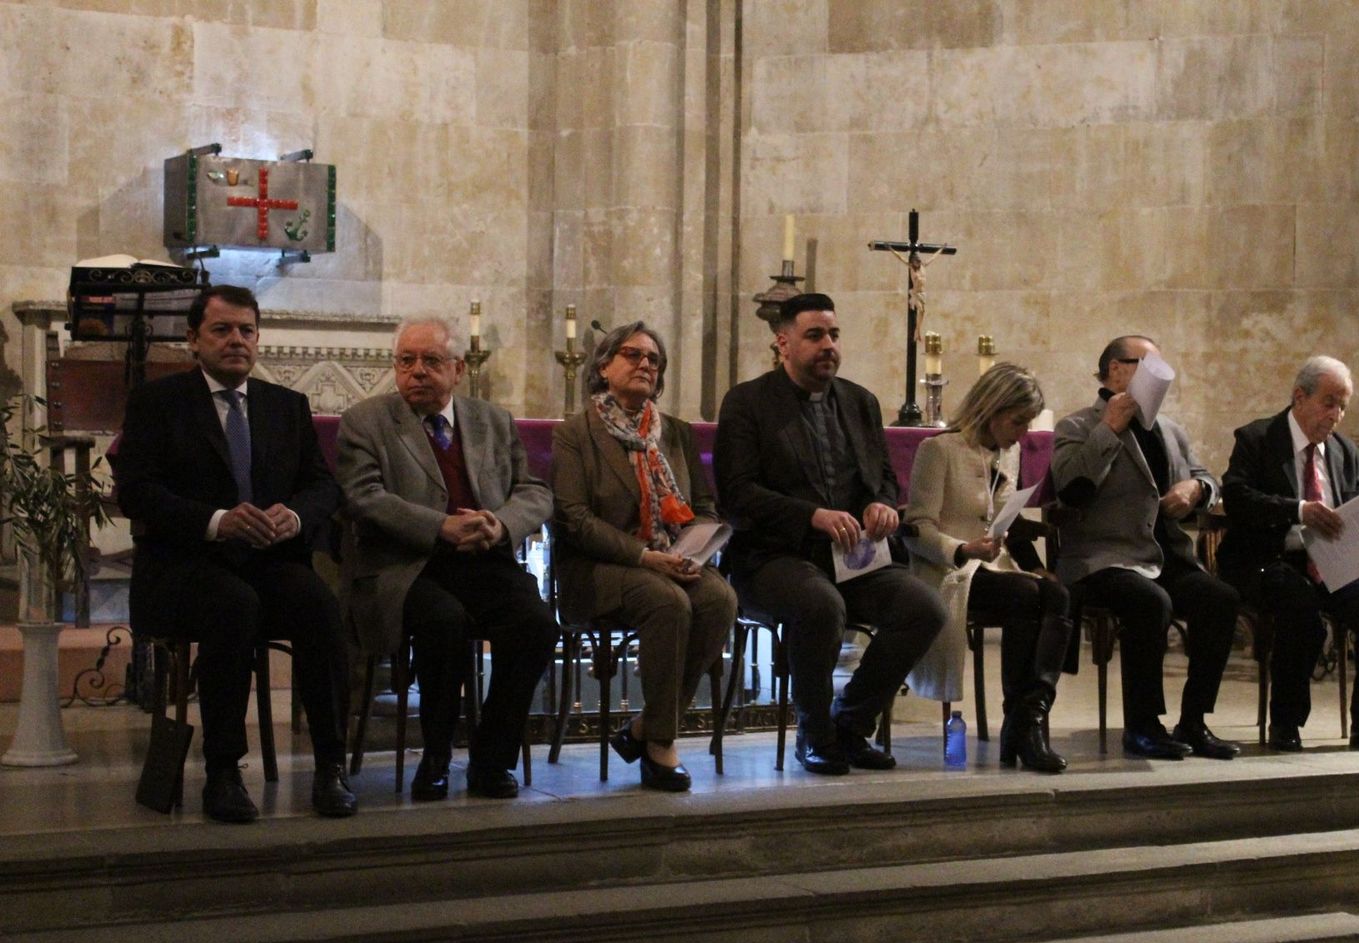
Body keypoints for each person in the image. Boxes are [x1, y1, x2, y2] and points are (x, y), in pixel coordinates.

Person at [116, 284, 354, 822]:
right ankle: (223, 772)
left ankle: (330, 766)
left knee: (318, 603)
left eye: (247, 330)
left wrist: (290, 517)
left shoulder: (285, 406)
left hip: (266, 561)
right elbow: (136, 490)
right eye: (222, 330)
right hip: (184, 566)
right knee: (233, 606)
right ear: (192, 339)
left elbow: (323, 488)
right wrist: (217, 521)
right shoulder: (158, 403)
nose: (236, 341)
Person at [715, 292, 946, 775]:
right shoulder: (748, 403)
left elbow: (882, 476)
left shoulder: (860, 402)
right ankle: (814, 733)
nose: (829, 346)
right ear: (783, 342)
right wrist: (811, 515)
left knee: (924, 607)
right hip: (774, 559)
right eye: (815, 335)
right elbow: (737, 494)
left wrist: (880, 504)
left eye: (834, 335)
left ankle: (852, 723)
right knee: (820, 605)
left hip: (853, 560)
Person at [337, 316, 559, 801]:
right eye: (406, 361)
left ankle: (491, 759)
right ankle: (435, 755)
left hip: (482, 559)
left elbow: (534, 491)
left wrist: (499, 524)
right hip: (407, 566)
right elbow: (364, 498)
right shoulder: (367, 421)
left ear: (458, 370)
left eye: (431, 361)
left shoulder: (492, 420)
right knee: (444, 621)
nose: (417, 371)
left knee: (536, 624)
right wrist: (440, 526)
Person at [550, 321, 738, 792]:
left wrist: (699, 549)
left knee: (721, 601)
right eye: (633, 354)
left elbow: (704, 507)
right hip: (598, 569)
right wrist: (644, 556)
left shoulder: (674, 433)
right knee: (667, 602)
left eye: (653, 359)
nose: (645, 364)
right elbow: (573, 518)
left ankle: (642, 726)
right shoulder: (577, 433)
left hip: (673, 560)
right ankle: (660, 746)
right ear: (603, 366)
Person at [1051, 335, 1240, 761]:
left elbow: (1207, 477)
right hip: (1103, 558)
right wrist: (1109, 430)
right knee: (1148, 602)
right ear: (1116, 370)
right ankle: (1142, 725)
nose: (1159, 375)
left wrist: (1197, 488)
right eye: (1146, 364)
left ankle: (1194, 719)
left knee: (1220, 599)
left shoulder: (1169, 429)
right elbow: (1070, 490)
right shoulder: (1077, 426)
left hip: (1164, 556)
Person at [1218, 355, 1359, 754]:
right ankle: (1286, 722)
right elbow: (1237, 498)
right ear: (1299, 397)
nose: (1336, 414)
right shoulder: (1258, 439)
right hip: (1266, 559)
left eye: (1343, 406)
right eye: (1329, 402)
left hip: (1331, 561)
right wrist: (1299, 510)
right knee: (1300, 605)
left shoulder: (1344, 451)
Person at [904, 362, 1069, 773]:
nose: (1023, 433)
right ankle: (1022, 727)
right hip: (950, 571)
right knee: (1025, 594)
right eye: (1017, 421)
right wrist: (962, 549)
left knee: (1057, 593)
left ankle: (1027, 718)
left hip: (995, 567)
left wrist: (1034, 565)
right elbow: (916, 527)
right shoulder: (939, 450)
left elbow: (1007, 523)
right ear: (991, 409)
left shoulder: (1009, 452)